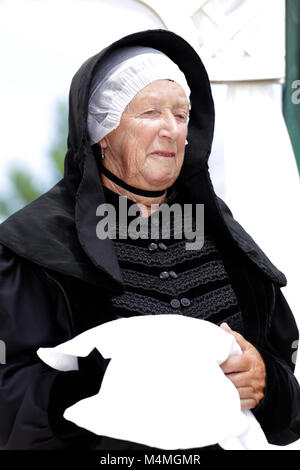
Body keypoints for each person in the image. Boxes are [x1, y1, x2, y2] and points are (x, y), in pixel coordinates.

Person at [0, 29, 299, 450]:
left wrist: (265, 379)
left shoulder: (226, 237)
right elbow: (8, 391)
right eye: (150, 113)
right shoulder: (33, 244)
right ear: (102, 131)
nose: (171, 130)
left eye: (181, 115)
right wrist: (108, 383)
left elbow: (288, 403)